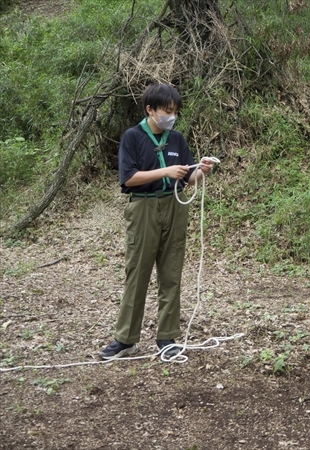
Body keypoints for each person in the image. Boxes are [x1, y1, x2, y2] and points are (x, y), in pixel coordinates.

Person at [99, 83, 213, 360]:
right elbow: (128, 178)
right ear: (150, 109)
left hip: (175, 207)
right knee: (137, 272)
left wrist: (202, 169)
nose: (171, 116)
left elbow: (187, 178)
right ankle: (126, 339)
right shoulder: (133, 137)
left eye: (174, 111)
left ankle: (167, 338)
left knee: (171, 271)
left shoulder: (177, 139)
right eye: (166, 111)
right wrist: (164, 170)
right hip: (144, 208)